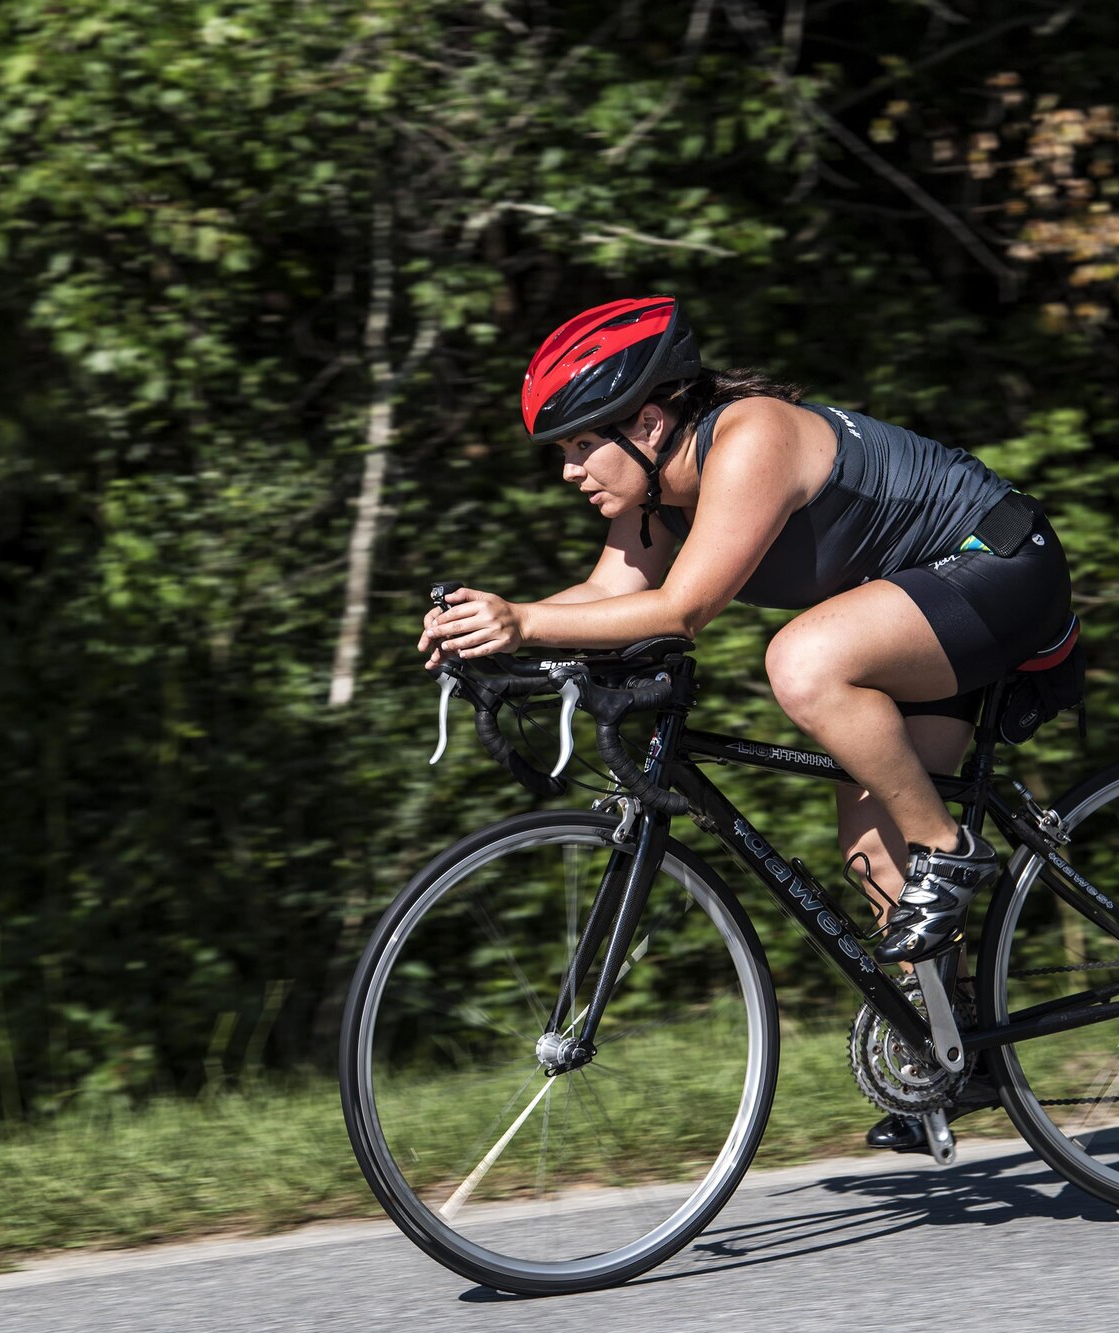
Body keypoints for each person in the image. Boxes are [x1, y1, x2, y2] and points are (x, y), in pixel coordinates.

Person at [416, 295, 1074, 1151]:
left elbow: (679, 610)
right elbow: (609, 601)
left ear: (648, 424)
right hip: (912, 613)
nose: (571, 470)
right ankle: (957, 1055)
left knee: (801, 661)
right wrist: (489, 629)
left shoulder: (753, 435)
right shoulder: (651, 497)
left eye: (582, 444)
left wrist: (524, 622)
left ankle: (953, 853)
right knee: (875, 853)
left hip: (1000, 568)